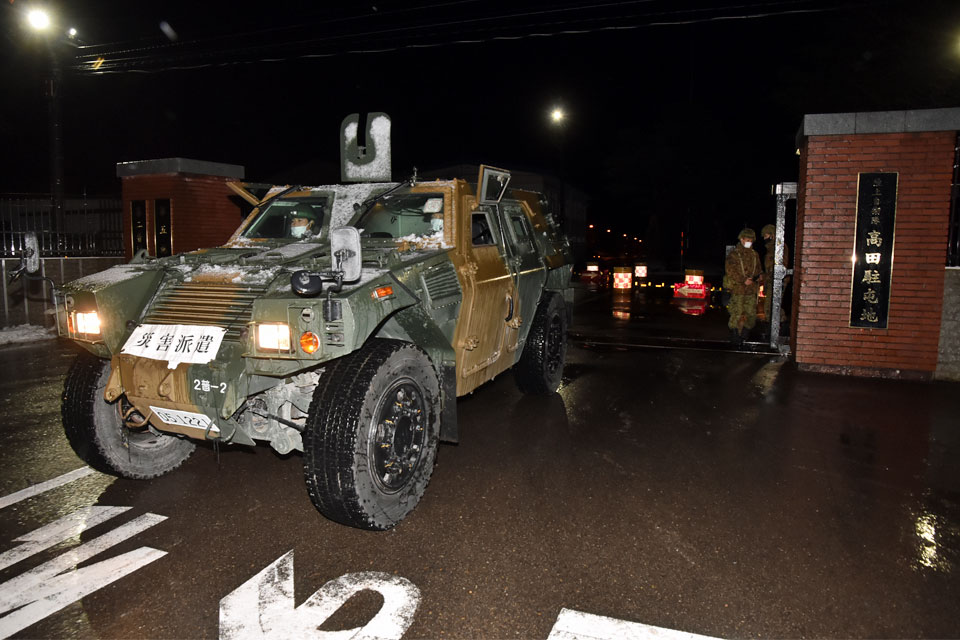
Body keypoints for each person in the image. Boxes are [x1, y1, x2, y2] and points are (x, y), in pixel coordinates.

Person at [724, 228, 761, 345]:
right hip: (738, 289)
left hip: (751, 289)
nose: (749, 241)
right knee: (737, 312)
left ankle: (745, 334)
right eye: (747, 239)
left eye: (751, 240)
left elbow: (759, 270)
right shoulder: (734, 255)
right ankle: (735, 336)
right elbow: (730, 270)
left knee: (751, 313)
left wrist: (759, 276)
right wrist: (743, 280)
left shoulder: (755, 255)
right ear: (741, 239)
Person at [760, 223, 790, 332]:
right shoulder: (770, 248)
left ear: (772, 235)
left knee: (773, 306)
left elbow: (781, 264)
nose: (764, 238)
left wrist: (775, 277)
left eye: (766, 235)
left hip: (778, 280)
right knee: (772, 305)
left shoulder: (779, 246)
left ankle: (778, 329)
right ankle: (776, 328)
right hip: (771, 280)